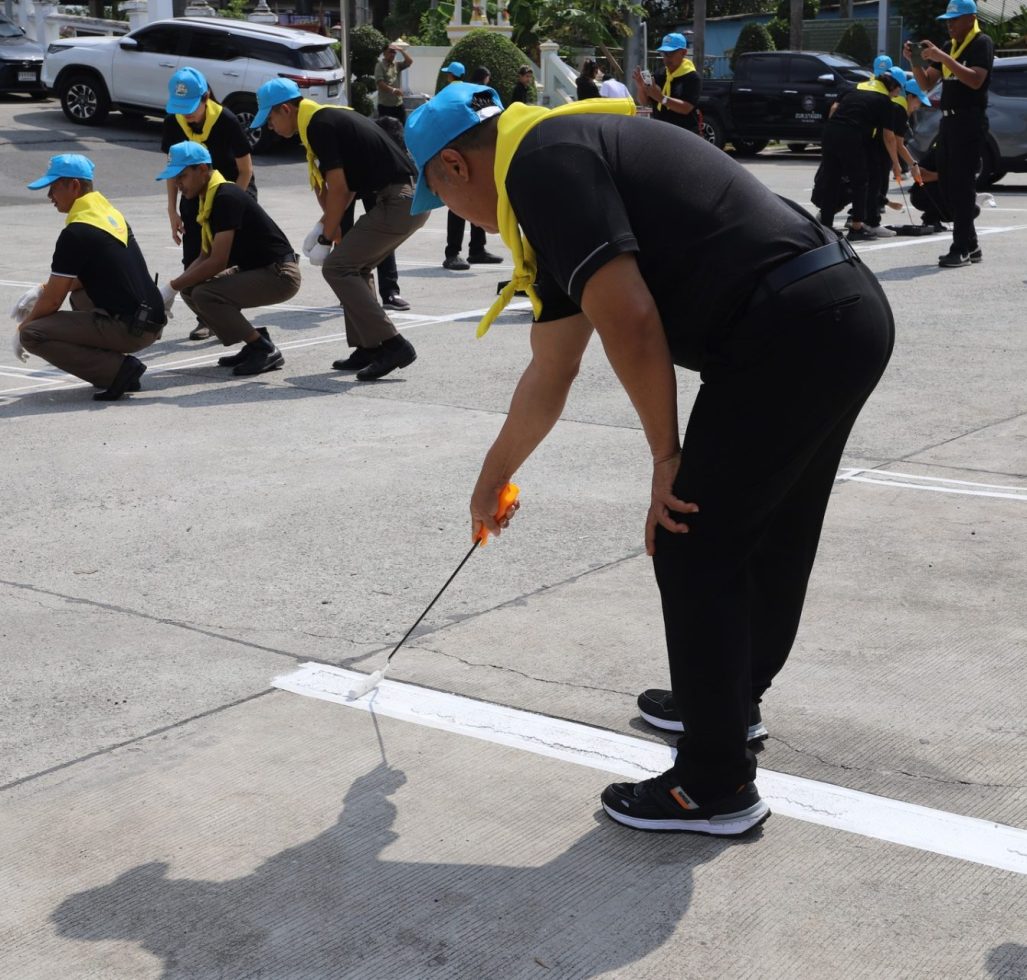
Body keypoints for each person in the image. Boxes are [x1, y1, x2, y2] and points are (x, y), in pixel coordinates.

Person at [404, 85, 894, 835]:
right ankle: (727, 705)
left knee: (689, 539)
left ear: (453, 166)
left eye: (436, 194)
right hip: (835, 313)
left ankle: (713, 783)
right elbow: (552, 368)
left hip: (790, 329)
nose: (451, 211)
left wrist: (666, 457)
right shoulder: (556, 160)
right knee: (767, 532)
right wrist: (492, 478)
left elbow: (631, 323)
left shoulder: (541, 167)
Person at [253, 78, 427, 380]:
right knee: (354, 267)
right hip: (406, 199)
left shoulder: (319, 126)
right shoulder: (325, 118)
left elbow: (340, 189)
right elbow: (346, 190)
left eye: (269, 119)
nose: (269, 127)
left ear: (285, 109)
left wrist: (324, 237)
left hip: (398, 200)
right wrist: (326, 225)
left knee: (337, 267)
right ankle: (368, 346)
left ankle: (393, 345)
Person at [15, 154, 167, 401]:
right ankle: (112, 366)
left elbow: (53, 301)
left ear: (74, 186)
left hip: (132, 328)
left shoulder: (76, 233)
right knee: (79, 296)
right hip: (151, 318)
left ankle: (118, 371)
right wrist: (41, 289)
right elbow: (93, 274)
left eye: (53, 187)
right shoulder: (109, 215)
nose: (49, 195)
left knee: (33, 333)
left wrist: (22, 328)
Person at [156, 142, 299, 376]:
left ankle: (263, 348)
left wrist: (170, 287)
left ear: (203, 169)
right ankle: (254, 340)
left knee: (205, 294)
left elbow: (217, 262)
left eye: (182, 176)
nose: (178, 184)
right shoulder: (207, 197)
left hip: (280, 274)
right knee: (191, 289)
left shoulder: (225, 197)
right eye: (175, 178)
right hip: (257, 269)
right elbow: (205, 254)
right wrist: (175, 287)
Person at [162, 66, 255, 341]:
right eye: (180, 107)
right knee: (193, 256)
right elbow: (172, 170)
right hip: (195, 193)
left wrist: (231, 205)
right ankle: (206, 318)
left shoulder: (226, 120)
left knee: (224, 256)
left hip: (232, 191)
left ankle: (226, 310)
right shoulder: (174, 122)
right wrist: (172, 209)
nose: (186, 114)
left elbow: (245, 170)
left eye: (191, 106)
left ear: (206, 97)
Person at [905, 0, 994, 267]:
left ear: (971, 18)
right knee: (946, 184)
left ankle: (961, 248)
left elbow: (975, 80)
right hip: (948, 122)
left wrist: (944, 58)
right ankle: (972, 244)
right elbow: (926, 83)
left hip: (969, 121)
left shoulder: (981, 43)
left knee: (961, 184)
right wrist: (915, 61)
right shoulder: (948, 46)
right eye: (947, 20)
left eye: (954, 19)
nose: (949, 25)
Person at [813, 71, 904, 241]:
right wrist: (896, 164)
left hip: (830, 132)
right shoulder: (884, 100)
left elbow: (834, 108)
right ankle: (856, 227)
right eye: (898, 90)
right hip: (851, 135)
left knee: (832, 179)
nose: (897, 95)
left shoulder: (853, 88)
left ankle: (826, 225)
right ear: (892, 87)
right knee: (860, 181)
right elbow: (889, 136)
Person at [439, 71, 502, 270]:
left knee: (476, 202)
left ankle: (476, 250)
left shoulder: (469, 93)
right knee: (459, 205)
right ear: (486, 79)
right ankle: (453, 253)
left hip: (472, 155)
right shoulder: (478, 95)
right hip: (462, 155)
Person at [633, 33, 702, 134]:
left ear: (683, 52)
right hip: (660, 131)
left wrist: (661, 98)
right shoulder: (659, 74)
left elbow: (686, 108)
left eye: (671, 53)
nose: (666, 58)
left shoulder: (692, 77)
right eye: (664, 53)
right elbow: (644, 102)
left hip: (684, 134)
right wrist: (641, 87)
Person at [375, 42, 413, 123]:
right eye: (390, 52)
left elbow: (409, 62)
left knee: (401, 127)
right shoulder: (380, 65)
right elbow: (380, 83)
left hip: (398, 104)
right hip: (385, 106)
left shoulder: (396, 65)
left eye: (394, 52)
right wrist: (393, 90)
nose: (392, 54)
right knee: (386, 129)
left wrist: (401, 50)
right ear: (384, 53)